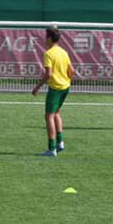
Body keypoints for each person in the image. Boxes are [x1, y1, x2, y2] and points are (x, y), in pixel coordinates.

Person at [31, 27, 74, 157]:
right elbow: (71, 70)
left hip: (55, 89)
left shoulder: (49, 53)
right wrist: (65, 79)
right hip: (65, 87)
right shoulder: (63, 52)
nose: (44, 39)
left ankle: (52, 148)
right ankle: (60, 142)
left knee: (48, 116)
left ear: (49, 38)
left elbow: (48, 74)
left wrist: (37, 87)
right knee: (56, 113)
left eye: (46, 37)